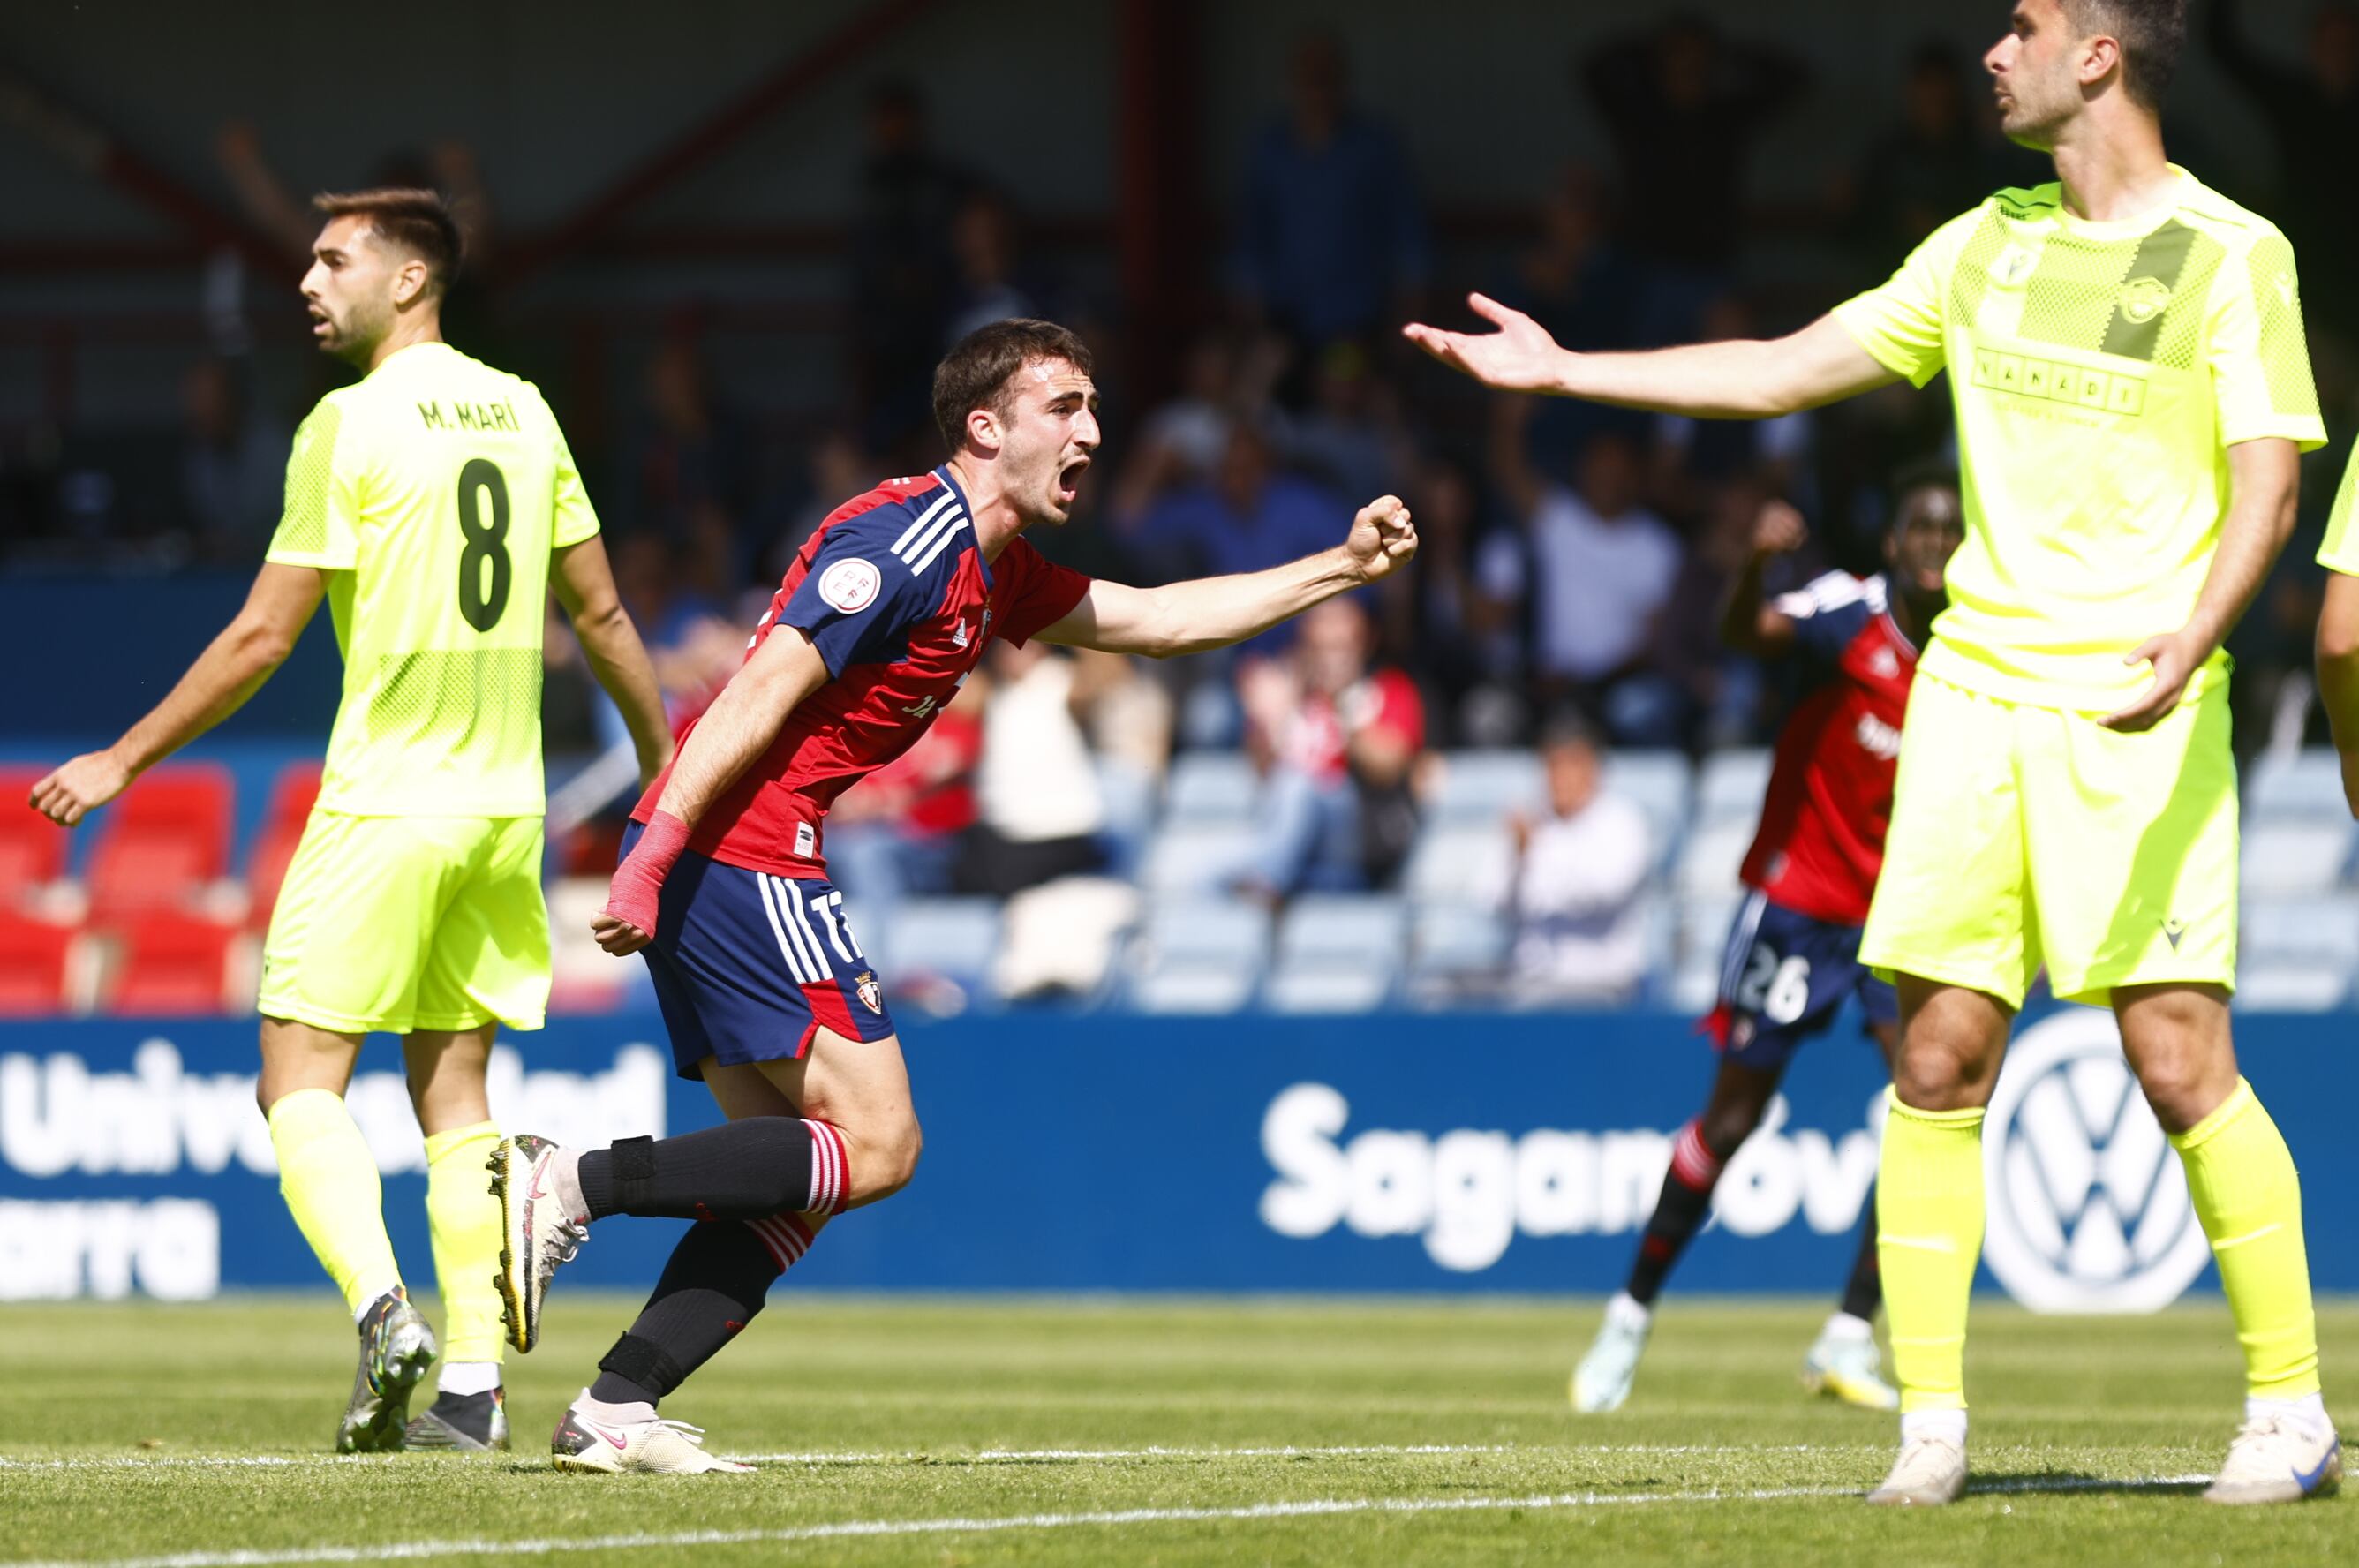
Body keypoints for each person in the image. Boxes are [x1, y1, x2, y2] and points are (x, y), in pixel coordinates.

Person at [1408, 0, 2337, 1509]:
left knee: (2176, 1059)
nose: (1991, 47)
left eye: (2024, 23)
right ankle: (1929, 1426)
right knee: (1934, 1059)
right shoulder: (1984, 243)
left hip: (2136, 706)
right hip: (1970, 696)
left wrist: (2193, 636)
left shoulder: (2235, 252)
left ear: (2096, 52)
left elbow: (2266, 489)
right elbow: (1782, 368)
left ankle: (2289, 1414)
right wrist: (1567, 369)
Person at [486, 318, 1417, 1474]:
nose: (1091, 427)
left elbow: (1158, 620)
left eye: (1091, 406)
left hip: (742, 852)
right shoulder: (905, 539)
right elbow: (752, 690)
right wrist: (654, 850)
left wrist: (1342, 566)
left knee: (796, 1170)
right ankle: (567, 1180)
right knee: (880, 1145)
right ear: (985, 427)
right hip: (744, 847)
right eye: (1062, 407)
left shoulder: (998, 564)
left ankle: (617, 1407)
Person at [26, 189, 672, 1454]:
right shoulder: (528, 412)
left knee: (296, 1076)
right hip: (504, 808)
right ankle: (476, 1393)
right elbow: (598, 617)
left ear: (411, 278)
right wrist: (663, 765)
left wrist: (123, 756)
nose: (309, 283)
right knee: (457, 1092)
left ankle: (385, 1312)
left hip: (391, 791)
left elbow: (265, 634)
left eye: (335, 261)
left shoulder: (349, 423)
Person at [1571, 476, 1964, 1416]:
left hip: (1896, 917)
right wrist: (1752, 561)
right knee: (1732, 1122)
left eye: (1949, 529)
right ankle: (1627, 1318)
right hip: (1796, 902)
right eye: (1917, 525)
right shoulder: (1844, 617)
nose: (1932, 543)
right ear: (1892, 538)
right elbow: (1744, 634)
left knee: (1926, 1102)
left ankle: (1845, 1336)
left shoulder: (1980, 639)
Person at [1491, 719, 1653, 1005]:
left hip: (1601, 990)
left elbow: (1606, 890)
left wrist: (1538, 852)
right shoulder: (1530, 820)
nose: (1560, 776)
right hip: (1530, 986)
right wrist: (1518, 859)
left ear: (1594, 769)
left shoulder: (1622, 821)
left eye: (1571, 764)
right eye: (1552, 765)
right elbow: (1491, 900)